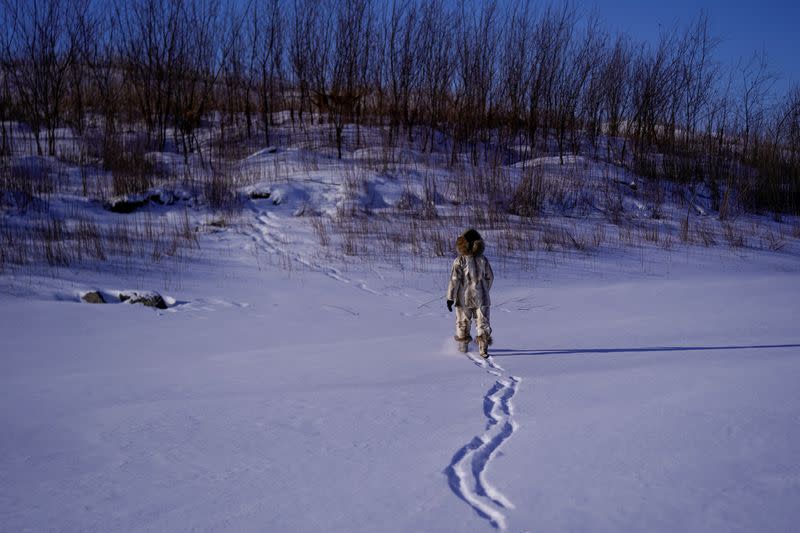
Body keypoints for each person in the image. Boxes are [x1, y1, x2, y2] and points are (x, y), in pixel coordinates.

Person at [446, 228, 494, 357]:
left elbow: (454, 280)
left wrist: (450, 297)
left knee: (462, 322)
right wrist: (484, 289)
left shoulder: (459, 260)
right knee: (483, 322)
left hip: (463, 298)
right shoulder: (483, 259)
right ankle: (483, 350)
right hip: (482, 298)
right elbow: (490, 277)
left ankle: (463, 348)